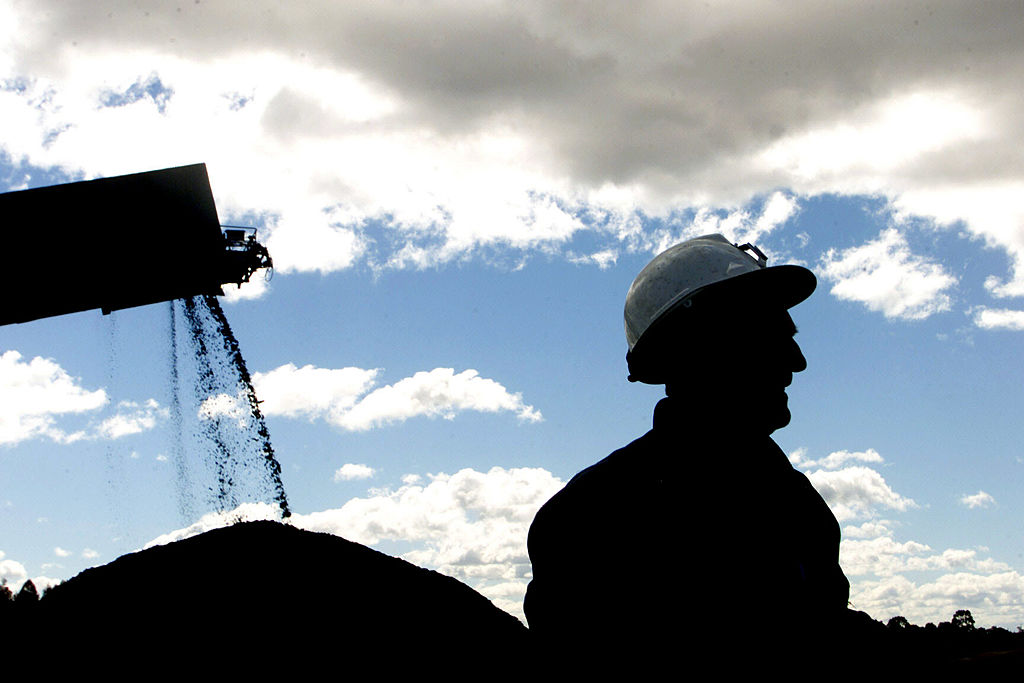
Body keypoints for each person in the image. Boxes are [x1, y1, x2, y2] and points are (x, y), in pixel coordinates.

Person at [524, 234, 872, 673]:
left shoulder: (796, 501)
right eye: (773, 336)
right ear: (703, 349)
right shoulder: (591, 516)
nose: (797, 361)